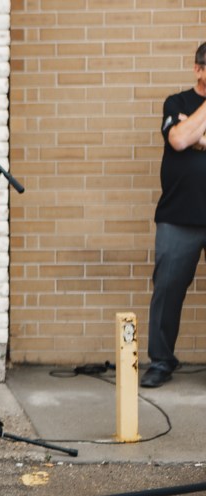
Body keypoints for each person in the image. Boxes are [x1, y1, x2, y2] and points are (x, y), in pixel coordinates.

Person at [141, 42, 206, 388]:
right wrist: (194, 131)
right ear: (198, 69)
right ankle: (162, 362)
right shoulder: (176, 103)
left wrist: (198, 136)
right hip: (178, 216)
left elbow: (189, 134)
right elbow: (179, 140)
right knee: (167, 290)